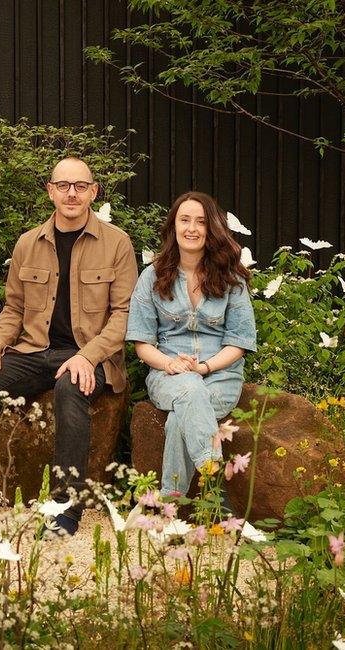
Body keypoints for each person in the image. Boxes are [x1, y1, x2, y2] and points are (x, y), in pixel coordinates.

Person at [0, 157, 138, 536]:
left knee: (71, 387)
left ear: (94, 192)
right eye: (63, 185)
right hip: (34, 352)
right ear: (50, 191)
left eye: (80, 186)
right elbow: (14, 307)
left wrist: (88, 356)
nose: (71, 193)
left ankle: (65, 506)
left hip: (90, 355)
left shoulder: (117, 243)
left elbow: (123, 315)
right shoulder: (28, 244)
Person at [125, 191, 256, 499]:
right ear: (173, 227)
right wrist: (169, 364)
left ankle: (170, 501)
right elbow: (142, 343)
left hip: (220, 375)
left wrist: (205, 367)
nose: (192, 228)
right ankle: (213, 477)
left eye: (201, 222)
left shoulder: (230, 277)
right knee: (189, 388)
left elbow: (239, 342)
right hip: (167, 375)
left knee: (178, 419)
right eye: (185, 220)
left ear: (211, 229)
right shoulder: (152, 276)